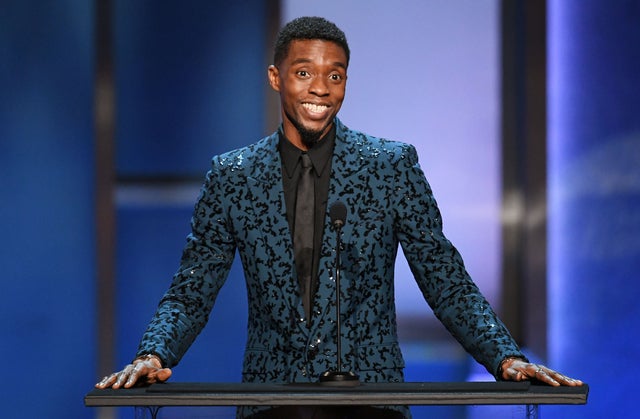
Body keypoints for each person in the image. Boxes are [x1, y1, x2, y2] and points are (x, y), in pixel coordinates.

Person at [96, 16, 582, 419]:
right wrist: (154, 353)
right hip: (274, 404)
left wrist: (504, 355)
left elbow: (443, 276)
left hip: (371, 404)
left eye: (336, 75)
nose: (321, 89)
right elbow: (192, 289)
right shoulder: (234, 176)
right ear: (275, 77)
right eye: (305, 73)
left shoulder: (390, 166)